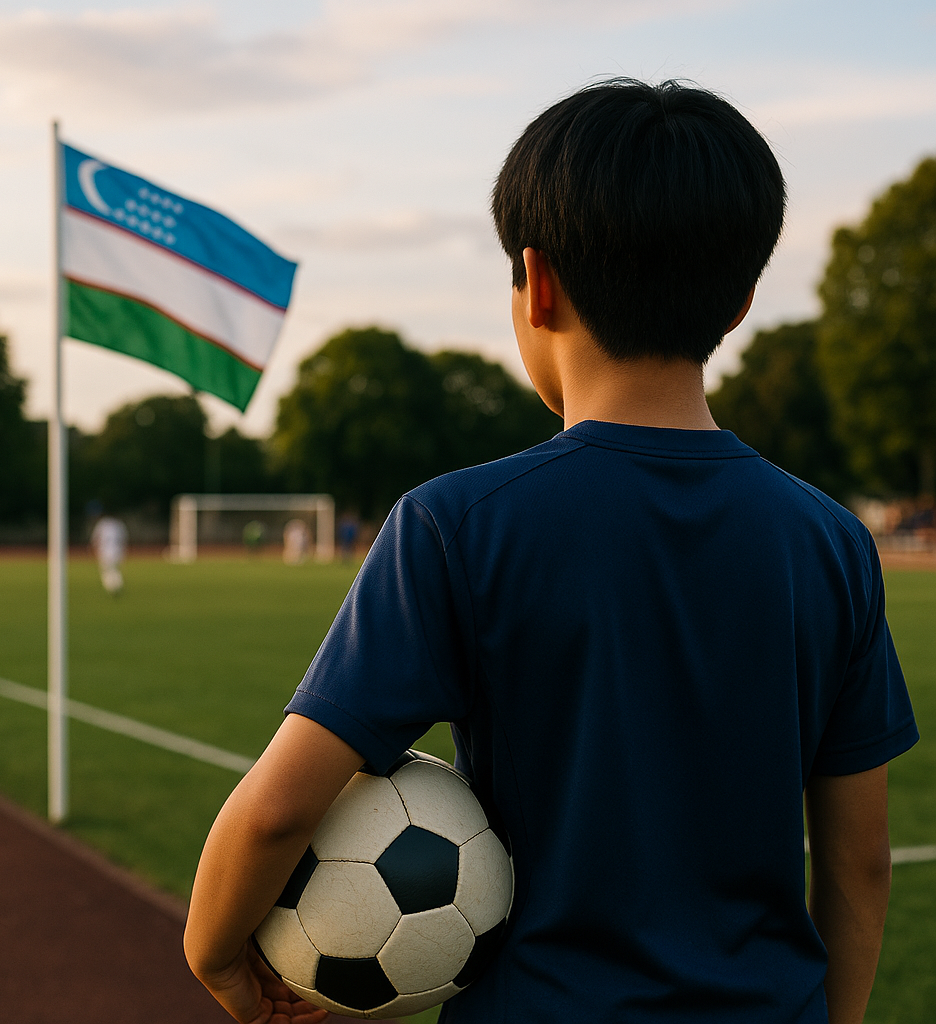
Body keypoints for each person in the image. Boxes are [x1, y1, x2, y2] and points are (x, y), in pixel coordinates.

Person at [184, 80, 918, 1024]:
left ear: (536, 283)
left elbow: (280, 809)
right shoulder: (833, 542)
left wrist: (215, 957)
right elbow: (859, 862)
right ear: (740, 301)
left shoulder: (455, 526)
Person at [90, 513, 127, 595]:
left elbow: (96, 538)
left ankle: (110, 587)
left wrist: (95, 548)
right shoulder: (118, 524)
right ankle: (117, 584)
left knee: (106, 570)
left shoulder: (102, 524)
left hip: (104, 551)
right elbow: (123, 539)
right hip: (117, 551)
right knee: (115, 569)